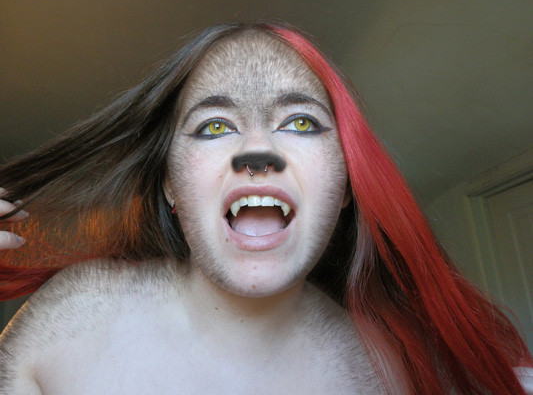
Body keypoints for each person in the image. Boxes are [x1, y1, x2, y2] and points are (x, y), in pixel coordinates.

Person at [0, 21, 531, 394]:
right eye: (214, 126)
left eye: (301, 122)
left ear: (347, 183)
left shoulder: (387, 373)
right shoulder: (70, 318)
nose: (257, 153)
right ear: (171, 187)